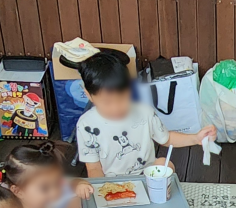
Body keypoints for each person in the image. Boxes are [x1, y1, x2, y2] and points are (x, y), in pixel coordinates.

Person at [74, 50, 215, 177]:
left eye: (122, 98)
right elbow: (93, 168)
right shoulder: (87, 125)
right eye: (107, 102)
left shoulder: (144, 112)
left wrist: (196, 138)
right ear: (89, 95)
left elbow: (167, 138)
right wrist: (102, 191)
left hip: (147, 177)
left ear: (130, 89)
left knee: (164, 163)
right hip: (111, 184)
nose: (116, 108)